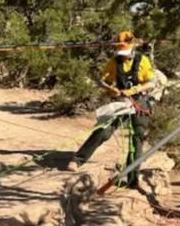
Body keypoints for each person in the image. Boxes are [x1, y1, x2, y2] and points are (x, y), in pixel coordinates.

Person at [67, 31, 158, 188]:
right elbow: (102, 81)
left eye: (126, 52)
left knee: (137, 139)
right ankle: (78, 160)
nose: (124, 56)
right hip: (122, 102)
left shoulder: (143, 61)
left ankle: (132, 178)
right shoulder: (114, 62)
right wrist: (110, 89)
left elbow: (151, 83)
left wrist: (133, 90)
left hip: (139, 102)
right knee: (104, 130)